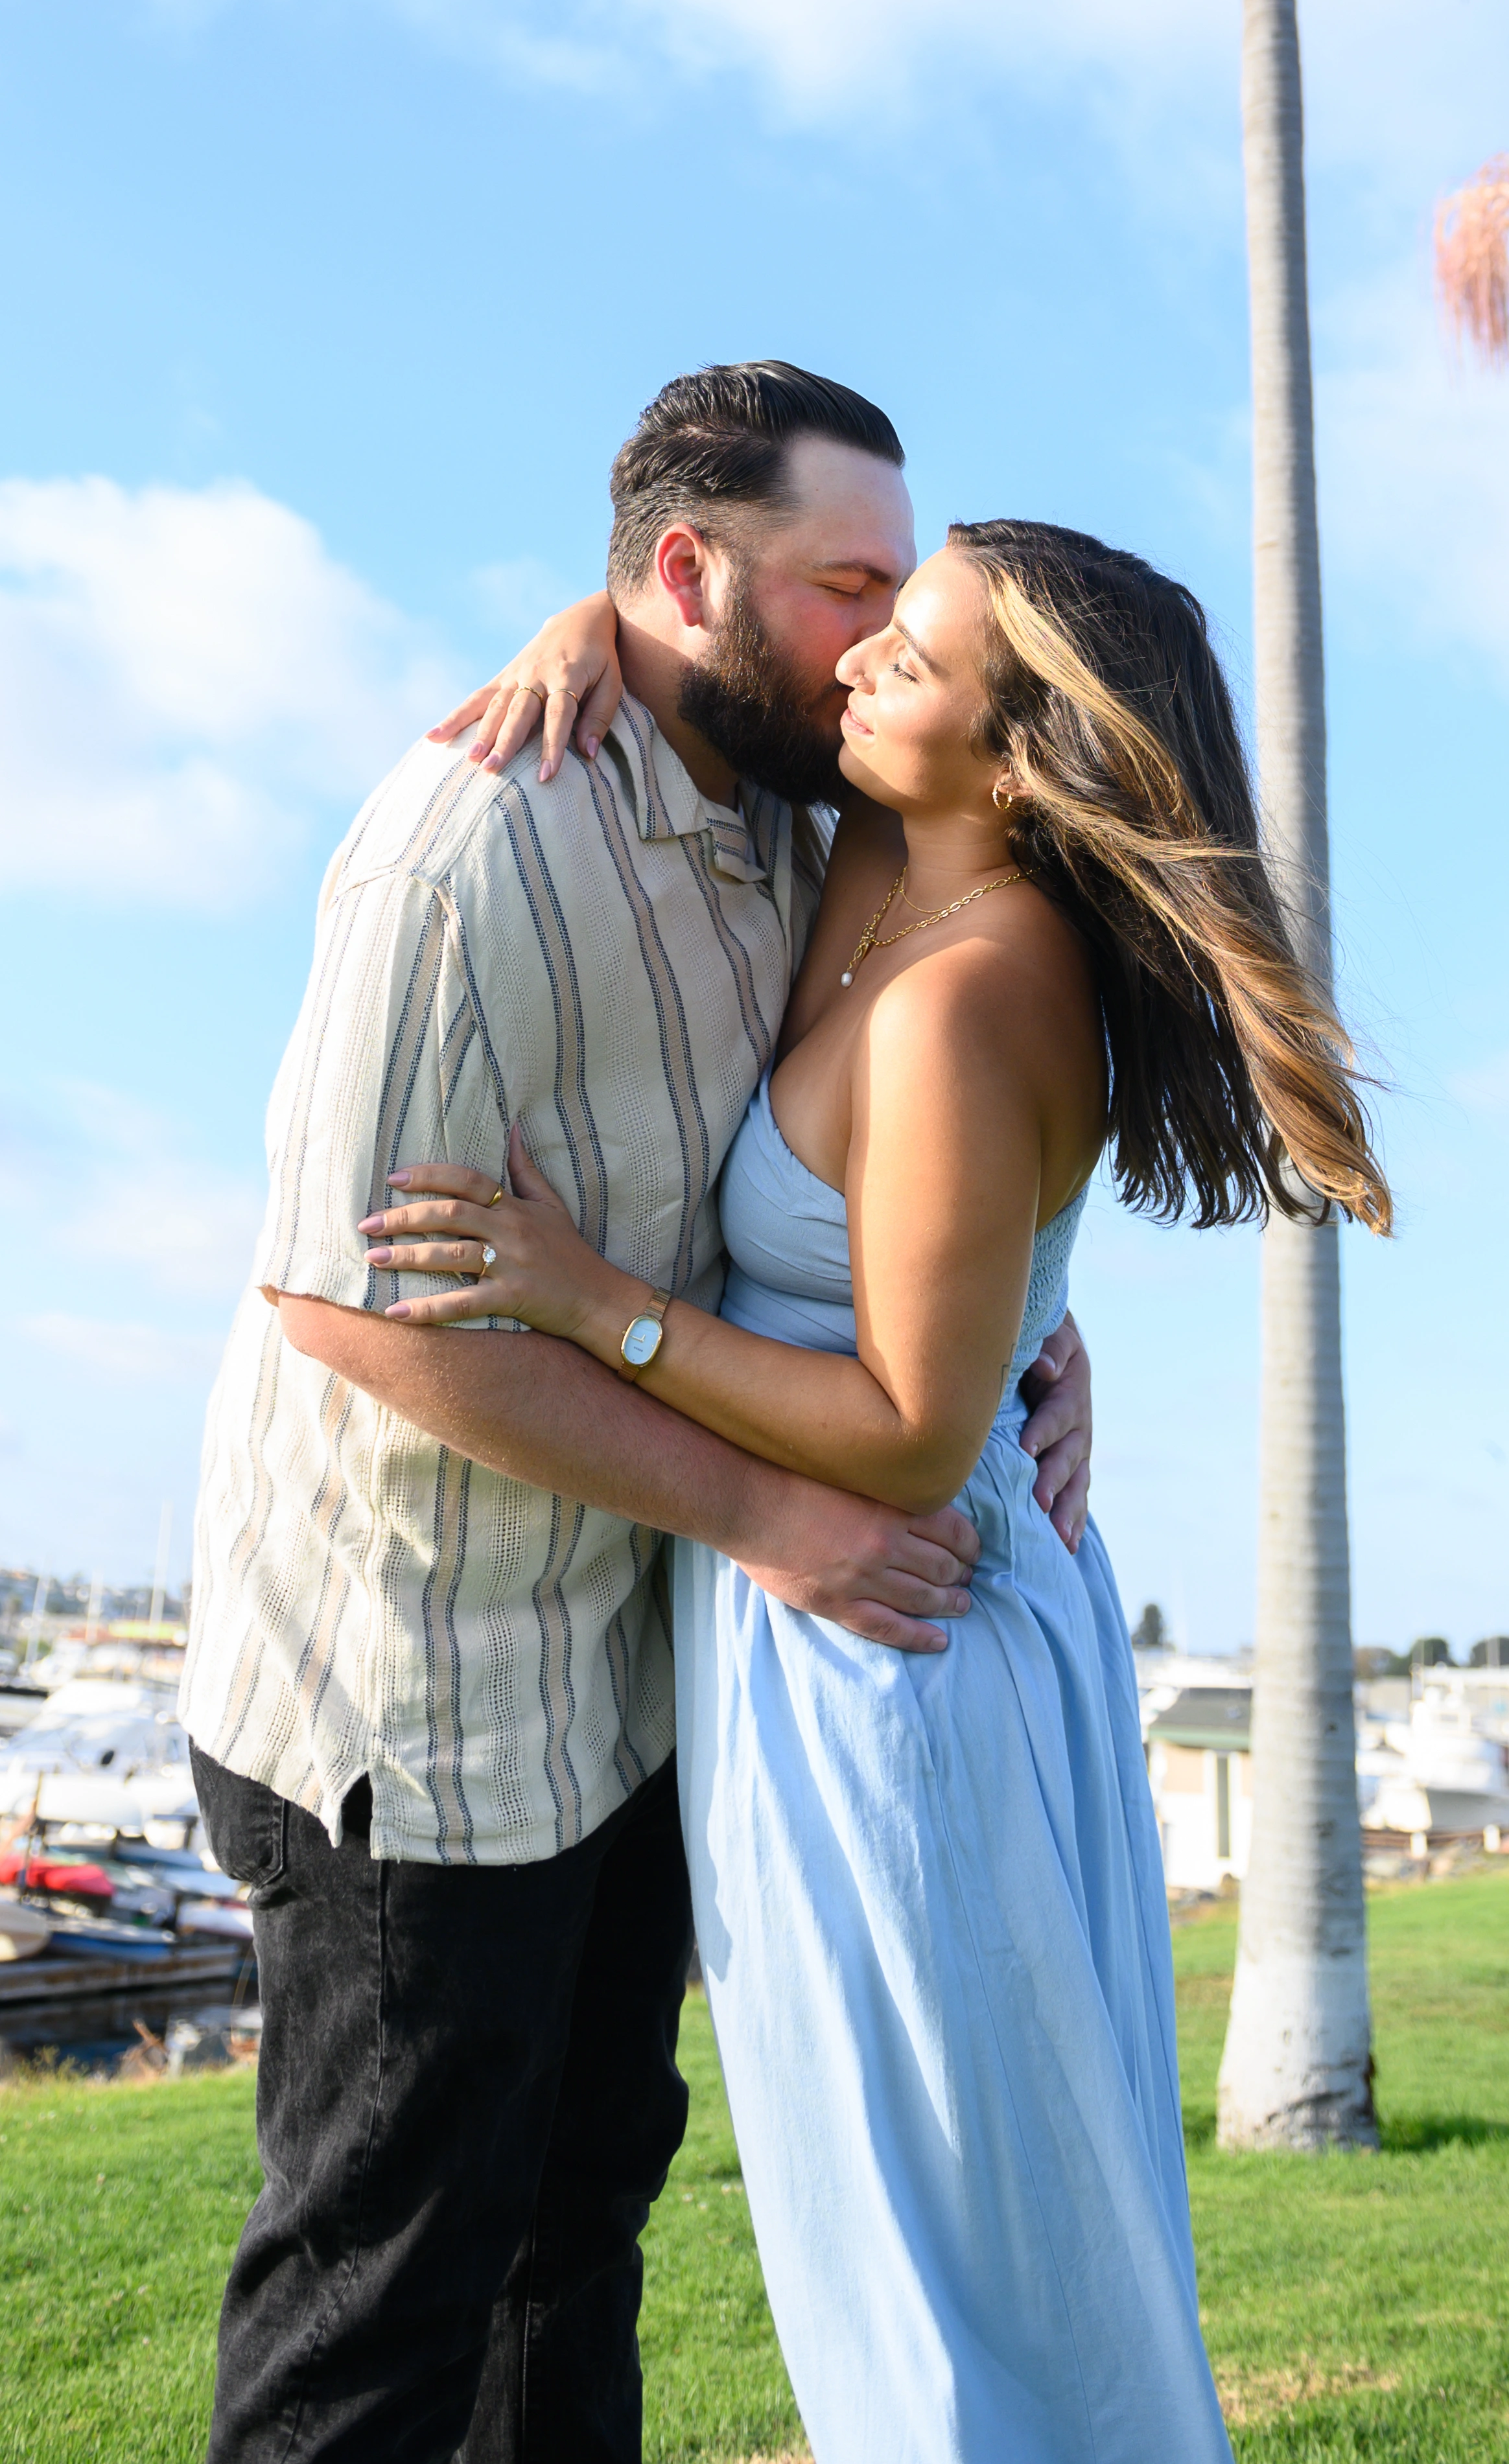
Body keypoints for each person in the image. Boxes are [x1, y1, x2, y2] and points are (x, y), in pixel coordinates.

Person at [353, 516, 1392, 2463]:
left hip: (895, 1645)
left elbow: (913, 1426)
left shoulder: (969, 983)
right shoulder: (878, 865)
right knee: (908, 2263)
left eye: (909, 661)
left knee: (952, 2294)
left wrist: (596, 1308)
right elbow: (951, 1279)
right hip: (824, 1631)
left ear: (1017, 761)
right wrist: (593, 614)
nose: (855, 669)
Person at [178, 364, 1094, 2463]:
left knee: (573, 2242)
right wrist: (771, 1519)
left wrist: (1029, 1321)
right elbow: (353, 1311)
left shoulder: (796, 806)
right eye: (846, 584)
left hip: (625, 1682)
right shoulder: (467, 844)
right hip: (407, 1695)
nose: (883, 636)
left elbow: (921, 1119)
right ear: (687, 573)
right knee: (381, 2293)